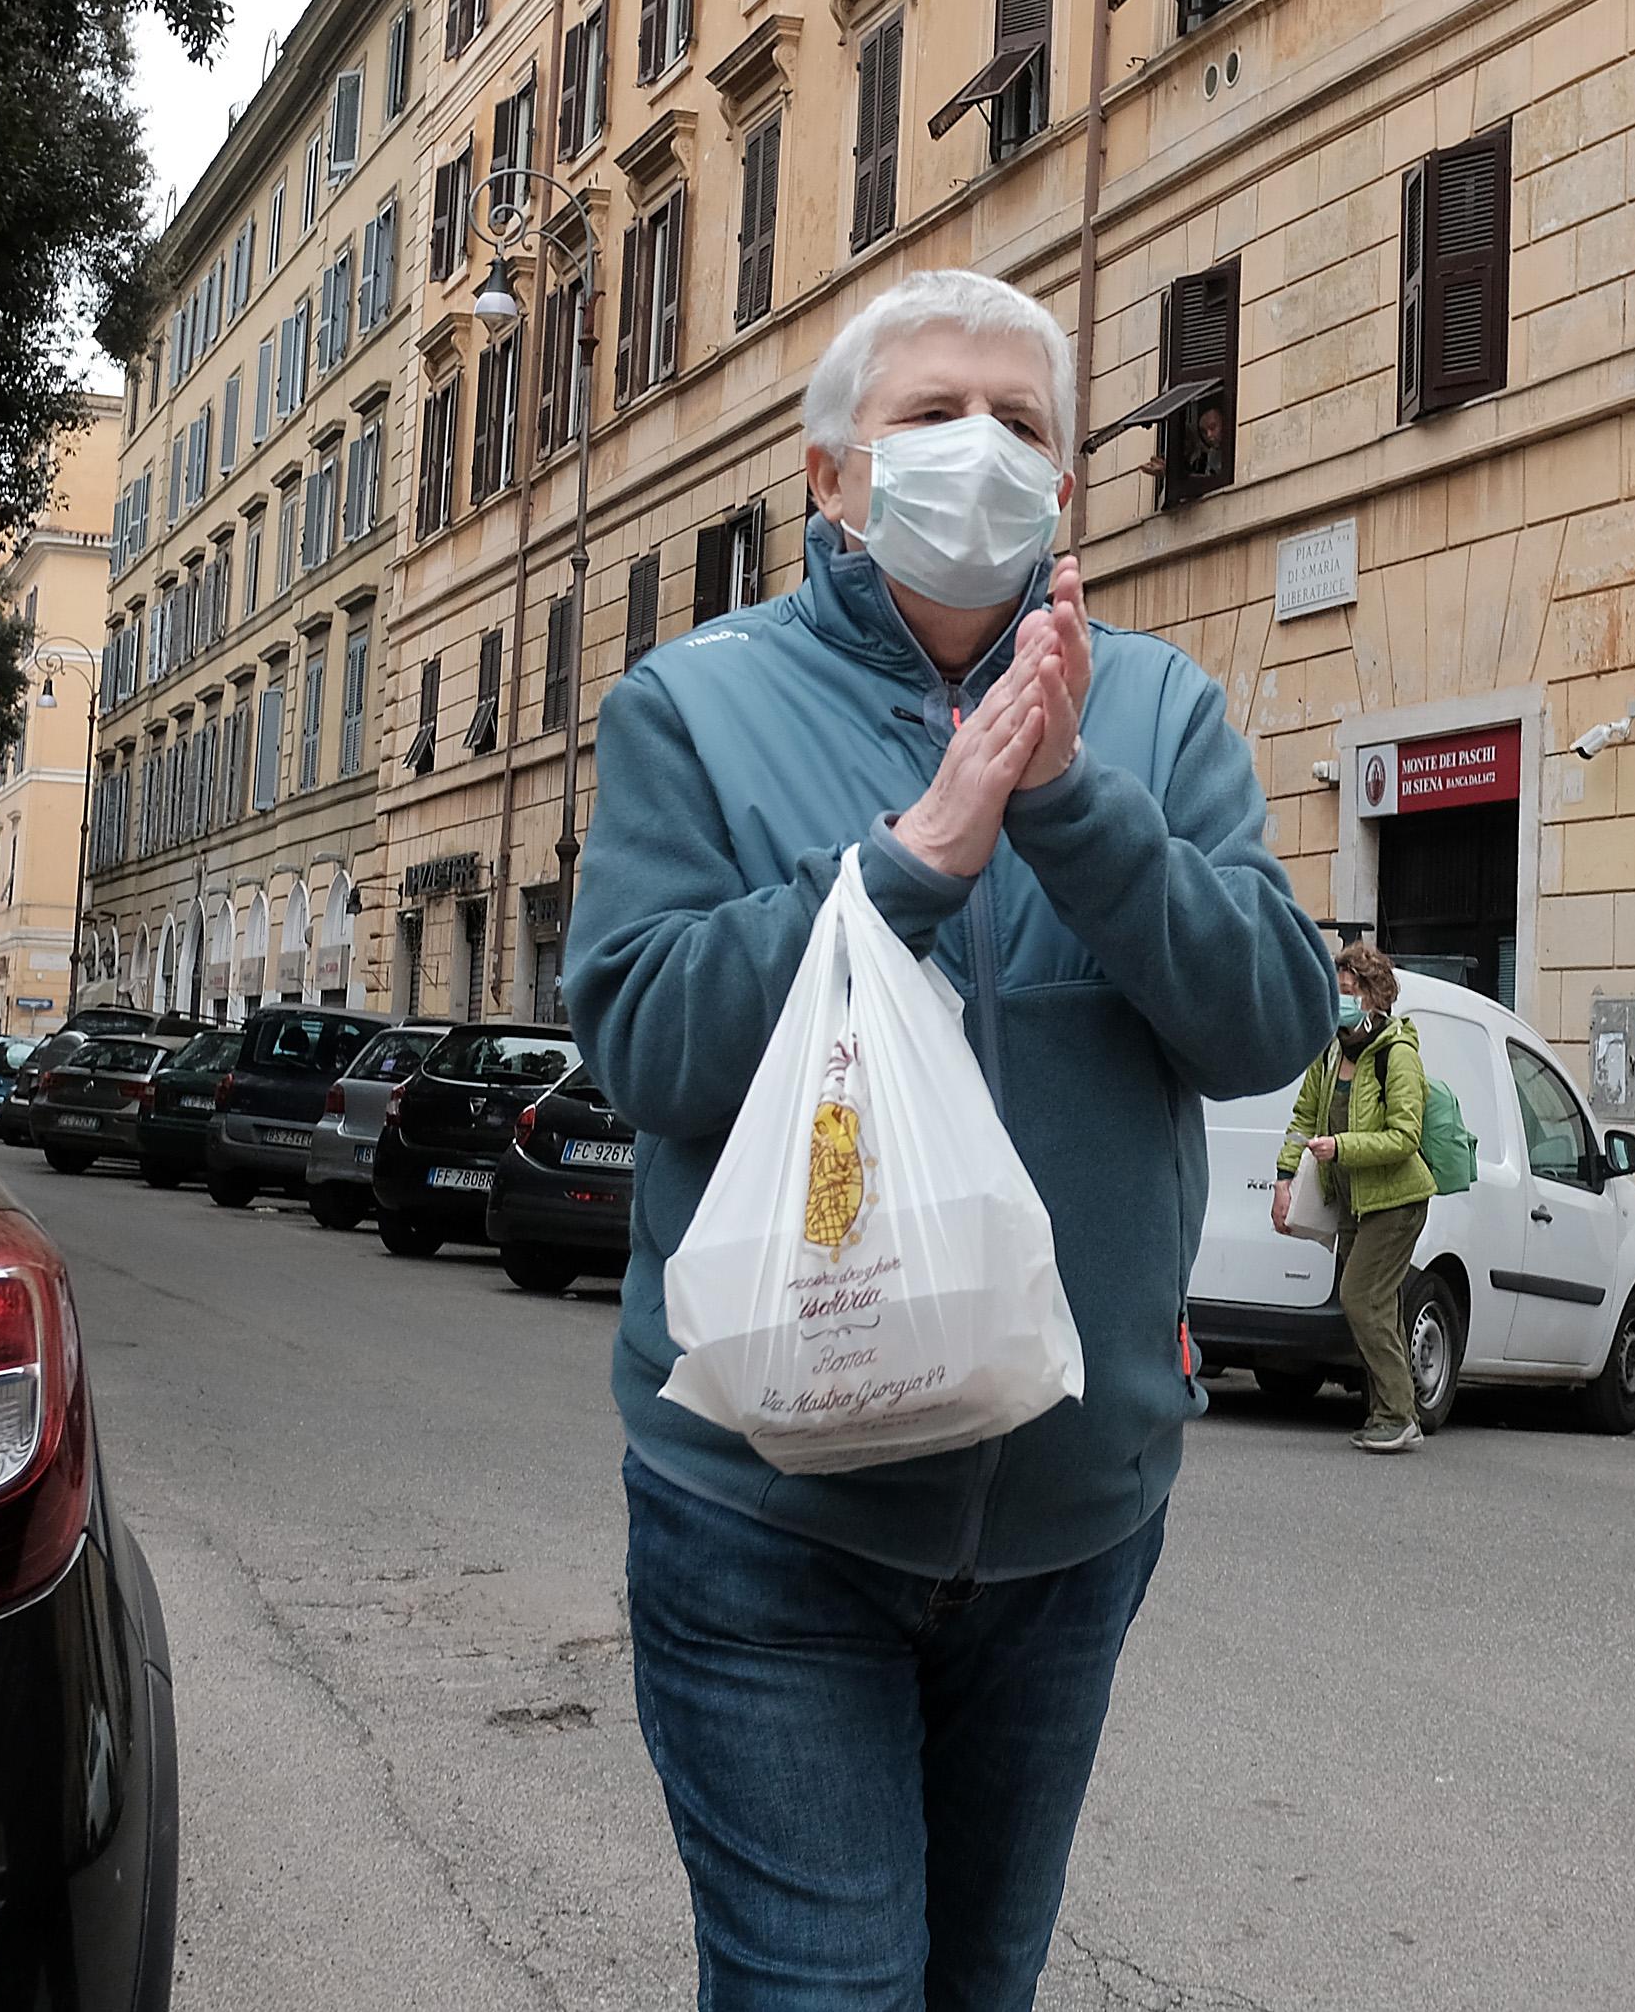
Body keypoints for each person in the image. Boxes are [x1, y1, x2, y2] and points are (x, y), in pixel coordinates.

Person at [564, 268, 1335, 2011]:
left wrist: (1068, 805)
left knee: (977, 1988)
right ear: (829, 473)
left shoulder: (1154, 712)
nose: (977, 450)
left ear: (1066, 478)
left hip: (1070, 1520)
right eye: (929, 415)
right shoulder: (693, 708)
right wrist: (904, 868)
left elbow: (1268, 1019)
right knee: (822, 1990)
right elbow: (642, 1042)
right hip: (769, 1507)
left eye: (1022, 422)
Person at [1272, 941, 1434, 1453]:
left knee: (1361, 1297)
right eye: (1336, 990)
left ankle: (1399, 1415)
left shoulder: (1397, 1054)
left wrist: (1341, 1147)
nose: (1339, 1001)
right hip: (1353, 1201)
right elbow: (1302, 1116)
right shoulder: (1332, 1049)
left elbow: (1405, 1135)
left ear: (1371, 996)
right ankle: (1387, 1412)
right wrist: (1283, 1178)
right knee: (1378, 1304)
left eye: (1346, 991)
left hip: (1397, 1201)